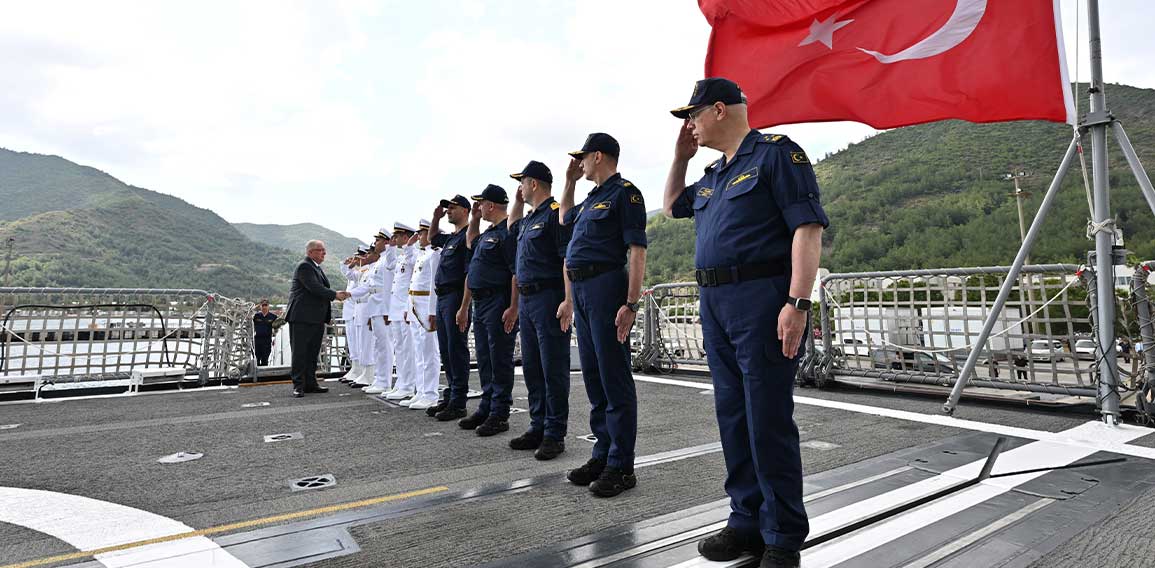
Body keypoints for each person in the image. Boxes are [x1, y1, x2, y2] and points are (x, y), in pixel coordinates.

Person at [664, 78, 828, 568]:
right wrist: (680, 158)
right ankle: (745, 522)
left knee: (767, 418)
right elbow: (674, 205)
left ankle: (782, 537)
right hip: (715, 302)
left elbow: (807, 227)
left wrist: (798, 302)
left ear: (719, 109)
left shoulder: (777, 154)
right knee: (733, 417)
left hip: (761, 299)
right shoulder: (713, 175)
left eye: (692, 115)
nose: (689, 124)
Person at [559, 132, 648, 498]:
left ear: (598, 156)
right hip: (581, 291)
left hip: (606, 287)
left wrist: (630, 304)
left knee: (614, 377)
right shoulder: (591, 197)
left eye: (583, 158)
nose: (579, 163)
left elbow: (637, 251)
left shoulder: (625, 193)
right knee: (594, 377)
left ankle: (621, 466)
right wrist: (568, 181)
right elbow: (564, 217)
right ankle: (602, 453)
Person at [508, 160, 572, 459]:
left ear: (534, 183)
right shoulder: (528, 219)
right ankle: (538, 425)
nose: (519, 188)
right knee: (532, 367)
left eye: (522, 182)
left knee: (553, 368)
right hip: (528, 300)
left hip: (549, 298)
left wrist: (568, 300)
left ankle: (554, 433)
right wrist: (518, 202)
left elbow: (566, 259)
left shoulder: (556, 214)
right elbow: (511, 229)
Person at [459, 184, 519, 437]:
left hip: (498, 301)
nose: (479, 207)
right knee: (484, 357)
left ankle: (499, 412)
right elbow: (470, 243)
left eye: (481, 204)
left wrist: (514, 306)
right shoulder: (486, 233)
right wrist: (473, 217)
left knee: (499, 359)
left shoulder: (508, 232)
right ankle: (487, 405)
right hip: (481, 302)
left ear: (492, 205)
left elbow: (516, 271)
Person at [427, 195, 474, 420]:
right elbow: (432, 237)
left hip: (456, 297)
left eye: (453, 208)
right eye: (448, 209)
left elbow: (468, 275)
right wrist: (435, 217)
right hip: (443, 297)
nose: (449, 212)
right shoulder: (450, 238)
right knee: (446, 350)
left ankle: (458, 402)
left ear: (466, 210)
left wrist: (464, 306)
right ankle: (450, 395)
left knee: (456, 349)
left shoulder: (468, 237)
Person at [286, 240, 349, 397]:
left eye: (324, 250)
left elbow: (320, 290)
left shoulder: (316, 268)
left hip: (315, 318)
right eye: (320, 250)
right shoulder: (305, 266)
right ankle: (298, 385)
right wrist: (335, 295)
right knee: (300, 352)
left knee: (312, 352)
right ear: (310, 252)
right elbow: (315, 288)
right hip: (301, 317)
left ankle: (310, 383)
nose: (324, 253)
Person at [350, 231, 396, 394]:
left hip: (383, 307)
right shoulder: (378, 263)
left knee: (385, 346)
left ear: (386, 242)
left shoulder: (389, 259)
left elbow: (389, 287)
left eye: (378, 240)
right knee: (378, 346)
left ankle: (385, 382)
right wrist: (349, 294)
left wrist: (388, 310)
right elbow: (369, 287)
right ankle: (379, 379)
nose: (375, 243)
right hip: (375, 306)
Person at [407, 221, 442, 410]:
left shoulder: (434, 253)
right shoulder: (423, 255)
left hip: (426, 307)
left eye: (421, 233)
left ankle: (430, 394)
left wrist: (432, 311)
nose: (419, 236)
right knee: (419, 352)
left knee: (429, 352)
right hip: (415, 307)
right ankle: (421, 391)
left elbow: (434, 286)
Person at [384, 223, 420, 403]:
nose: (395, 239)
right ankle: (402, 382)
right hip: (396, 308)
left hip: (405, 309)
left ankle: (408, 385)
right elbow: (389, 264)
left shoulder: (414, 255)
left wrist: (409, 247)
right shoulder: (401, 258)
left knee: (408, 349)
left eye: (397, 236)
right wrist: (390, 247)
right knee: (400, 348)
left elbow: (412, 281)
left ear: (406, 237)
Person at [253, 299, 278, 366]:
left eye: (265, 305)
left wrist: (276, 339)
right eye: (262, 305)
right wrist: (254, 307)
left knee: (265, 359)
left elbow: (278, 328)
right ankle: (256, 376)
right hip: (257, 341)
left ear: (268, 306)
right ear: (260, 306)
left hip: (267, 341)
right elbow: (247, 317)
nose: (264, 307)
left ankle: (263, 376)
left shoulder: (273, 317)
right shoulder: (256, 316)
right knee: (256, 360)